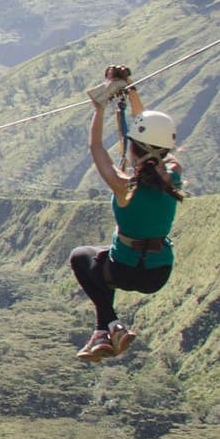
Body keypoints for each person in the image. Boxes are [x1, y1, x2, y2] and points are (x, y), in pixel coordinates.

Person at [70, 65, 185, 362]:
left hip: (123, 268)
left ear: (131, 148)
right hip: (158, 273)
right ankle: (104, 331)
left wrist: (100, 107)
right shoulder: (174, 176)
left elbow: (95, 146)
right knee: (100, 258)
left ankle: (110, 323)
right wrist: (130, 89)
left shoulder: (125, 187)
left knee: (82, 256)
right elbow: (148, 131)